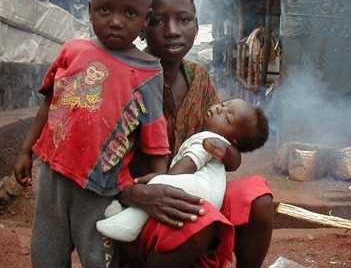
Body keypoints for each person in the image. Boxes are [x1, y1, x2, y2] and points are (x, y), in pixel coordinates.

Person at [13, 0, 176, 268]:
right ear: (89, 9)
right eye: (105, 9)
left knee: (99, 258)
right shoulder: (73, 50)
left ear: (145, 18)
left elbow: (155, 136)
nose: (116, 21)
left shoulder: (148, 72)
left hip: (100, 187)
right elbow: (49, 103)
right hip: (53, 175)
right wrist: (26, 151)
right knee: (46, 251)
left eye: (130, 13)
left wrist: (159, 179)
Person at [117, 0, 288, 268]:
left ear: (197, 24)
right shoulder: (125, 79)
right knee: (203, 218)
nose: (172, 30)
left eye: (184, 19)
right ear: (142, 26)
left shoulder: (198, 75)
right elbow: (102, 157)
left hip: (190, 193)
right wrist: (135, 192)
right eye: (157, 20)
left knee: (259, 199)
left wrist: (228, 155)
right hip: (140, 201)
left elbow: (225, 144)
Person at [96, 98, 269, 243]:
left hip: (199, 191)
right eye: (223, 104)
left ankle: (127, 224)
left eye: (227, 118)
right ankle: (127, 219)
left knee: (157, 185)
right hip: (208, 197)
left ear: (234, 140)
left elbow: (190, 163)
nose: (218, 109)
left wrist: (166, 178)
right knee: (155, 190)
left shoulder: (207, 140)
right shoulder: (214, 141)